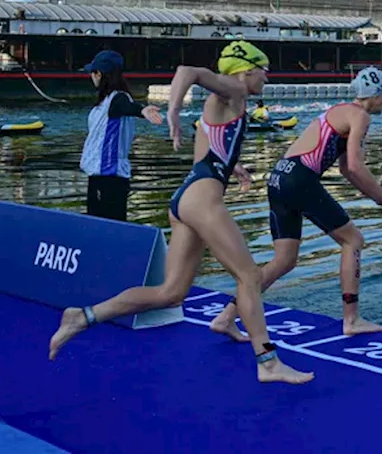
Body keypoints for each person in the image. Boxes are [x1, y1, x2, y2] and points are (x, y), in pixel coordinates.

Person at [50, 41, 313, 385]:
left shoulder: (220, 102)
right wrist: (172, 110)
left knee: (170, 293)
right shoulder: (233, 88)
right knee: (249, 277)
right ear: (246, 70)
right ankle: (268, 362)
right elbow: (188, 71)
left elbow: (208, 152)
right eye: (265, 70)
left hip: (186, 196)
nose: (267, 78)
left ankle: (82, 317)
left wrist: (234, 168)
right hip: (202, 199)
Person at [209, 66, 382, 339]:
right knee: (353, 241)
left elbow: (346, 170)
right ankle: (351, 319)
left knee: (284, 261)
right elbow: (355, 165)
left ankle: (226, 316)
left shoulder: (339, 111)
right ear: (374, 94)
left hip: (278, 177)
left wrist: (380, 200)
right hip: (299, 180)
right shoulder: (360, 116)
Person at [79, 50, 164, 222]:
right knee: (99, 223)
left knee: (107, 224)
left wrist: (142, 110)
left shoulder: (117, 99)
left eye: (93, 73)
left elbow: (127, 107)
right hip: (98, 174)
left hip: (109, 176)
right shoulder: (105, 101)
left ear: (100, 74)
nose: (91, 76)